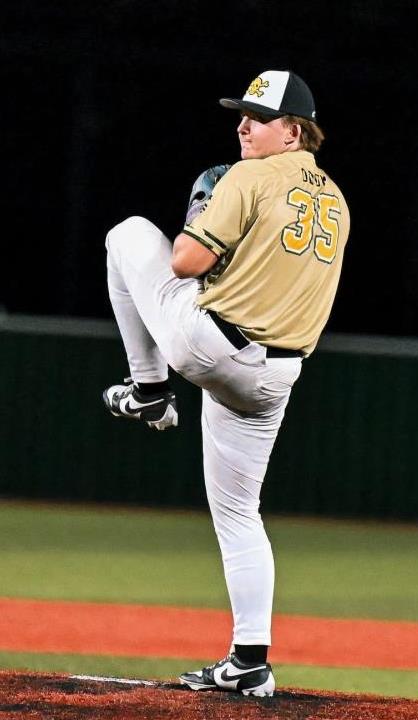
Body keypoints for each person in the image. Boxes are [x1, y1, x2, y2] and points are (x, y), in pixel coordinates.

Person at [103, 69, 350, 697]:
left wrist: (202, 216)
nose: (243, 125)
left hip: (212, 345)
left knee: (127, 235)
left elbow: (186, 262)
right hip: (277, 376)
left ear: (293, 131)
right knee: (240, 514)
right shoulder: (337, 201)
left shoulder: (248, 176)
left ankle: (148, 388)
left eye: (258, 117)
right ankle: (250, 662)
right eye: (241, 114)